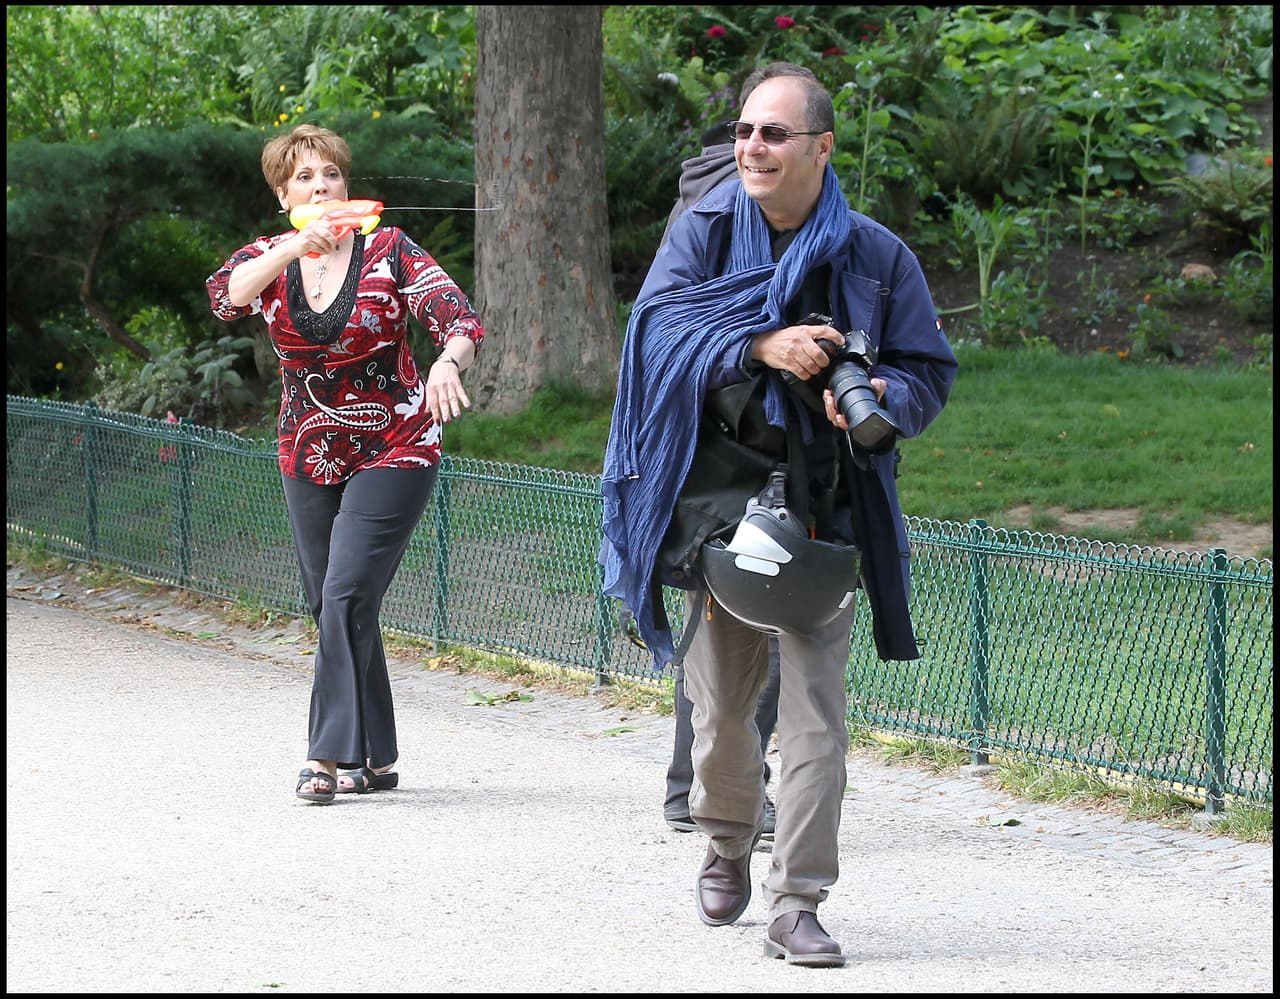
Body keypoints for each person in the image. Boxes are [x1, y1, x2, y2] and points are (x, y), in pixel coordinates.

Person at [600, 63, 957, 967]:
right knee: (722, 709)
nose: (751, 147)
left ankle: (798, 901)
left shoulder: (875, 255)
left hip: (828, 501)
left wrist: (880, 392)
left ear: (821, 148)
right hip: (718, 496)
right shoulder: (706, 229)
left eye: (773, 133)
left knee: (817, 720)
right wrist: (759, 342)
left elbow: (929, 369)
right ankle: (726, 838)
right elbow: (654, 332)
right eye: (744, 131)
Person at [206, 124, 484, 805]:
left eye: (331, 174)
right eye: (304, 178)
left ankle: (325, 756)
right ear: (283, 196)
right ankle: (377, 757)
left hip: (396, 441)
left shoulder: (389, 249)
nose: (322, 186)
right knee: (333, 602)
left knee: (345, 591)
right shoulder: (267, 260)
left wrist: (448, 363)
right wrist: (293, 247)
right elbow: (225, 296)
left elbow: (459, 320)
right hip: (306, 449)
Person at [659, 123, 780, 839]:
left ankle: (691, 790)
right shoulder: (725, 211)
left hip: (695, 447)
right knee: (760, 621)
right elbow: (676, 326)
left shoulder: (694, 199)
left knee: (714, 623)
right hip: (736, 443)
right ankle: (729, 798)